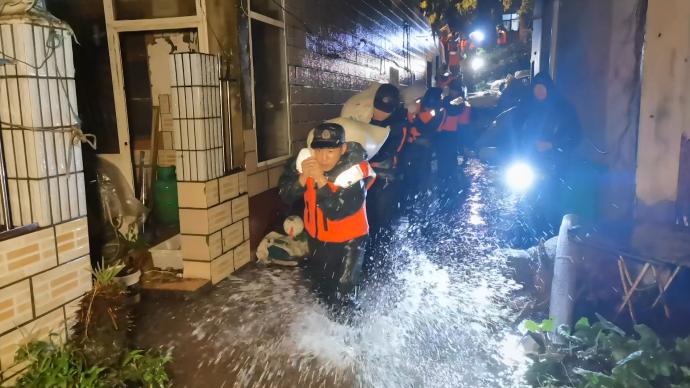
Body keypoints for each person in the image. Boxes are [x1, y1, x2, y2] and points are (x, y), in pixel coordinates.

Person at [278, 122, 376, 313]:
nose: (323, 158)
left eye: (330, 151)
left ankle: (351, 335)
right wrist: (301, 178)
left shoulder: (354, 173)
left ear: (343, 148)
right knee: (321, 291)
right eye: (319, 150)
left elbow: (337, 211)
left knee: (344, 294)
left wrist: (321, 180)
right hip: (319, 240)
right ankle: (327, 332)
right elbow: (285, 194)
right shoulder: (304, 164)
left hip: (350, 242)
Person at [434, 79, 471, 197]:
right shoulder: (450, 100)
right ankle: (445, 179)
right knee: (444, 156)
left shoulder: (457, 101)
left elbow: (452, 110)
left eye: (453, 90)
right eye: (451, 90)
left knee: (449, 156)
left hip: (451, 133)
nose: (451, 92)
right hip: (444, 133)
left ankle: (448, 180)